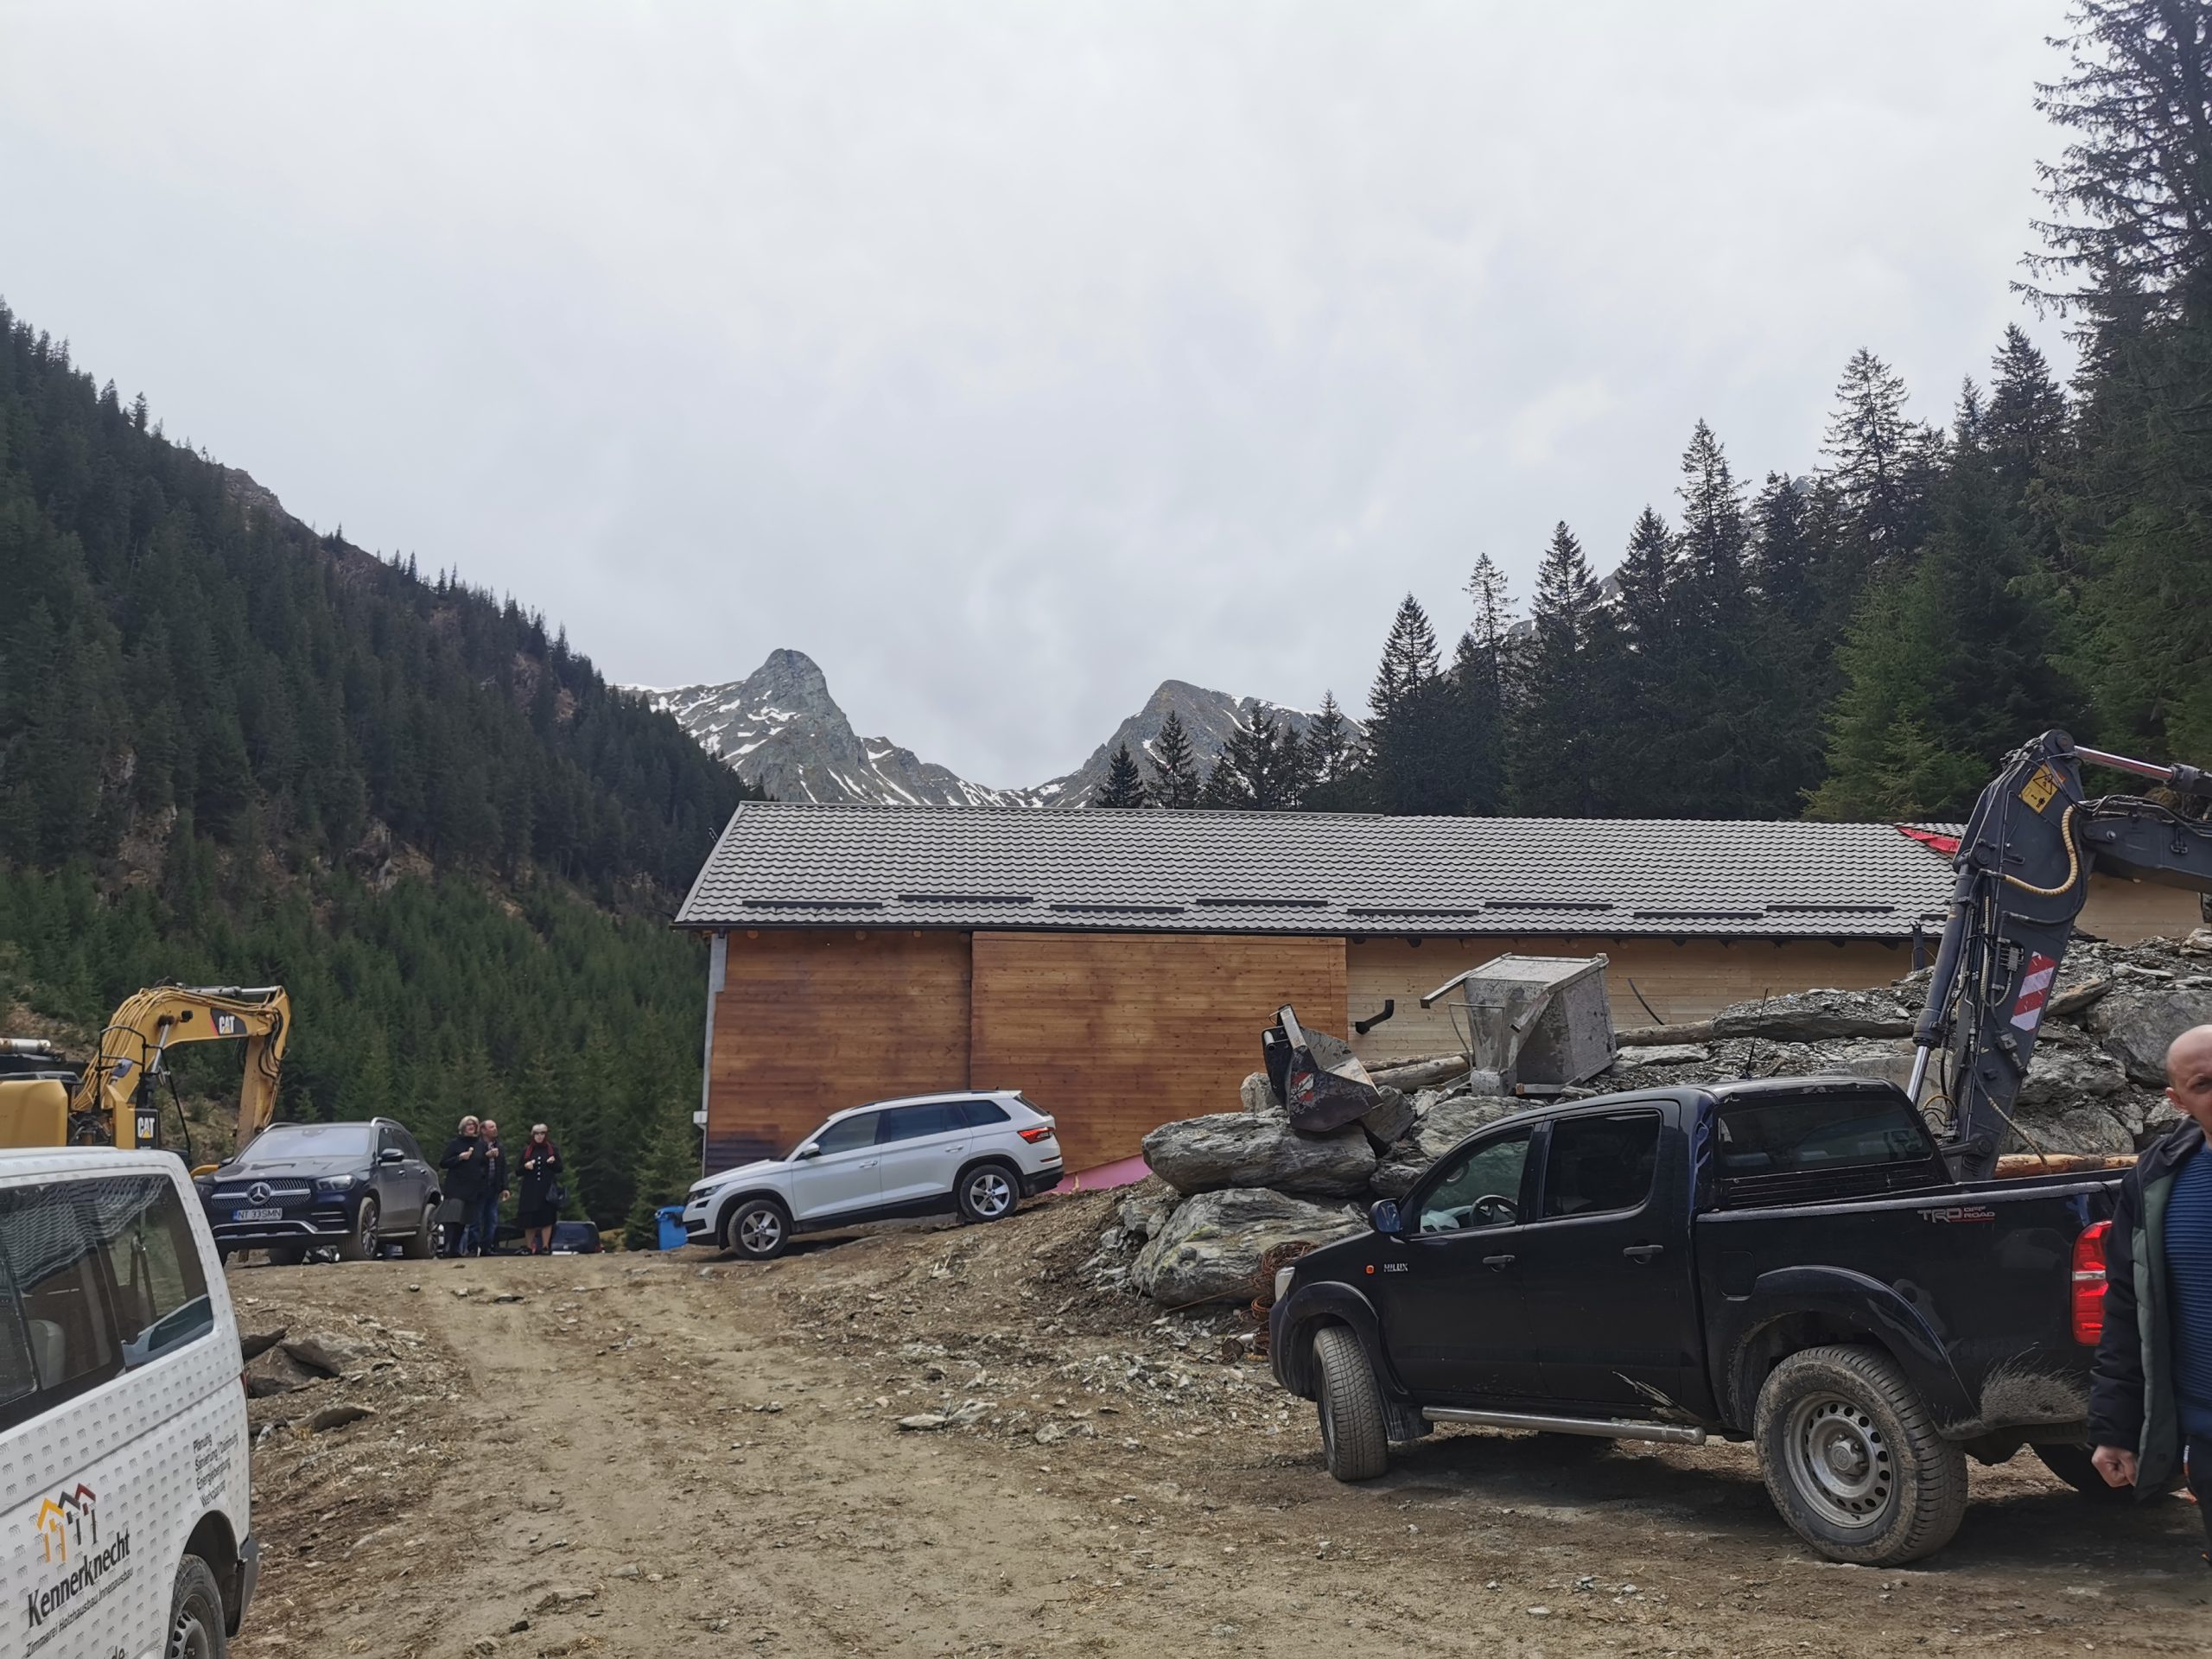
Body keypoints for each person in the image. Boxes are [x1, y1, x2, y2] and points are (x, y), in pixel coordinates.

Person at [2089, 1022, 2212, 1567]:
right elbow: (2127, 1309)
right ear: (2178, 1100)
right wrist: (2116, 1429)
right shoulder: (2157, 1180)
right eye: (2204, 1084)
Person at [438, 1115, 486, 1258]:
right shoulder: (455, 1143)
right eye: (468, 1125)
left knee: (464, 1219)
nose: (471, 1127)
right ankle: (447, 1247)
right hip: (456, 1186)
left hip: (472, 1187)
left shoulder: (480, 1144)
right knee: (452, 1217)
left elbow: (482, 1164)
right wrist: (459, 1158)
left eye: (474, 1125)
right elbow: (444, 1162)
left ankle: (455, 1249)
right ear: (463, 1128)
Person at [515, 1123, 563, 1256]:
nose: (539, 1136)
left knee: (547, 1219)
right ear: (533, 1135)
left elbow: (560, 1169)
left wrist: (553, 1163)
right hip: (530, 1190)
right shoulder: (526, 1151)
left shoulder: (552, 1150)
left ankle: (545, 1246)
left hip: (546, 1189)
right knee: (529, 1219)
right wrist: (526, 1167)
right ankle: (529, 1247)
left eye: (542, 1133)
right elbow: (518, 1171)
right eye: (537, 1134)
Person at [474, 1118, 508, 1256]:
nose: (495, 1129)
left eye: (495, 1126)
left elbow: (503, 1168)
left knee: (492, 1220)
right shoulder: (477, 1145)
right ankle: (472, 1248)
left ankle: (486, 1247)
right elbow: (473, 1164)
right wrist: (485, 1156)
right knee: (476, 1220)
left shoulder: (499, 1147)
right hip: (479, 1188)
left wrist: (505, 1187)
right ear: (483, 1130)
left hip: (493, 1188)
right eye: (492, 1127)